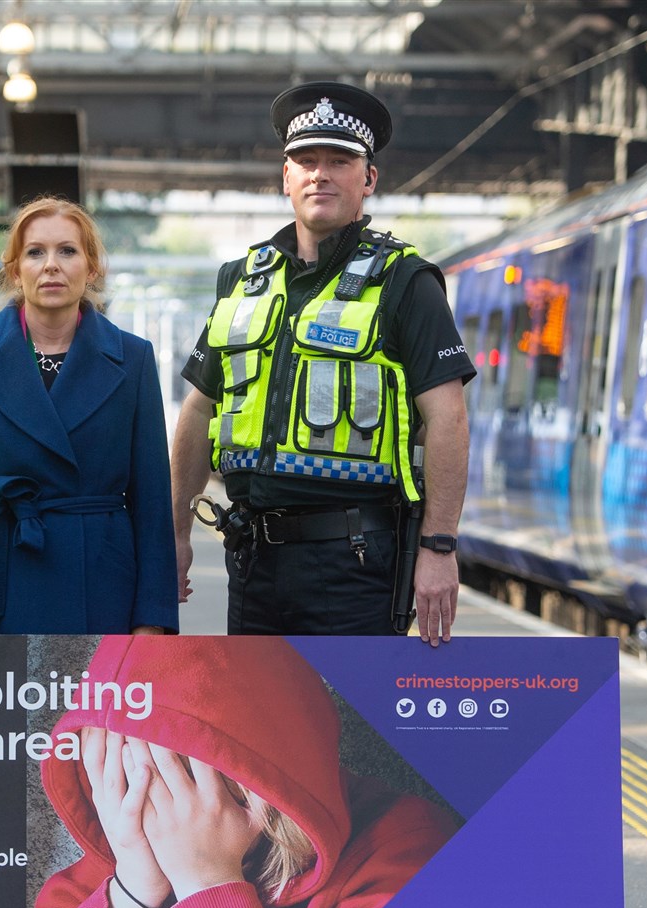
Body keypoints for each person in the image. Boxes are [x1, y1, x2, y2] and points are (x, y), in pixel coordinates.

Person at [25, 635, 457, 908]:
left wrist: (207, 884)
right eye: (120, 775)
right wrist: (133, 890)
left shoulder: (406, 851)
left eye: (171, 780)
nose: (149, 805)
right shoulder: (135, 837)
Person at [170, 82, 473, 644]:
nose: (321, 174)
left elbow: (449, 418)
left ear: (369, 179)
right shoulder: (242, 280)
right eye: (306, 161)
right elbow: (198, 410)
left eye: (340, 160)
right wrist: (177, 533)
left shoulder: (406, 282)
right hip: (252, 560)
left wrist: (439, 547)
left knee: (346, 728)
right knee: (256, 728)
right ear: (286, 177)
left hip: (354, 562)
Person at [0, 197, 178, 636]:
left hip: (101, 583)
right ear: (15, 269)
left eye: (68, 251)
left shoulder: (132, 359)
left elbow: (152, 498)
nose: (51, 265)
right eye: (35, 252)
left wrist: (152, 618)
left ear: (92, 268)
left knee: (90, 706)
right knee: (3, 706)